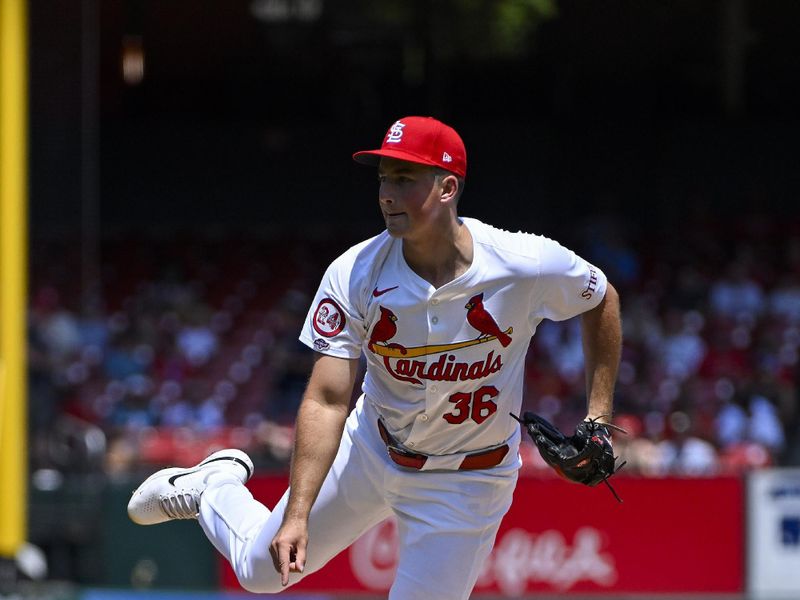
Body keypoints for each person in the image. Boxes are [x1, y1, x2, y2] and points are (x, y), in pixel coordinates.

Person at [127, 116, 623, 599]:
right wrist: (297, 514)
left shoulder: (522, 262)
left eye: (404, 179)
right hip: (372, 448)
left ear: (447, 188)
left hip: (466, 482)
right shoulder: (356, 272)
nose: (386, 193)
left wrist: (598, 416)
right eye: (384, 179)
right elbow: (326, 399)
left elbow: (601, 298)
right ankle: (213, 486)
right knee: (262, 570)